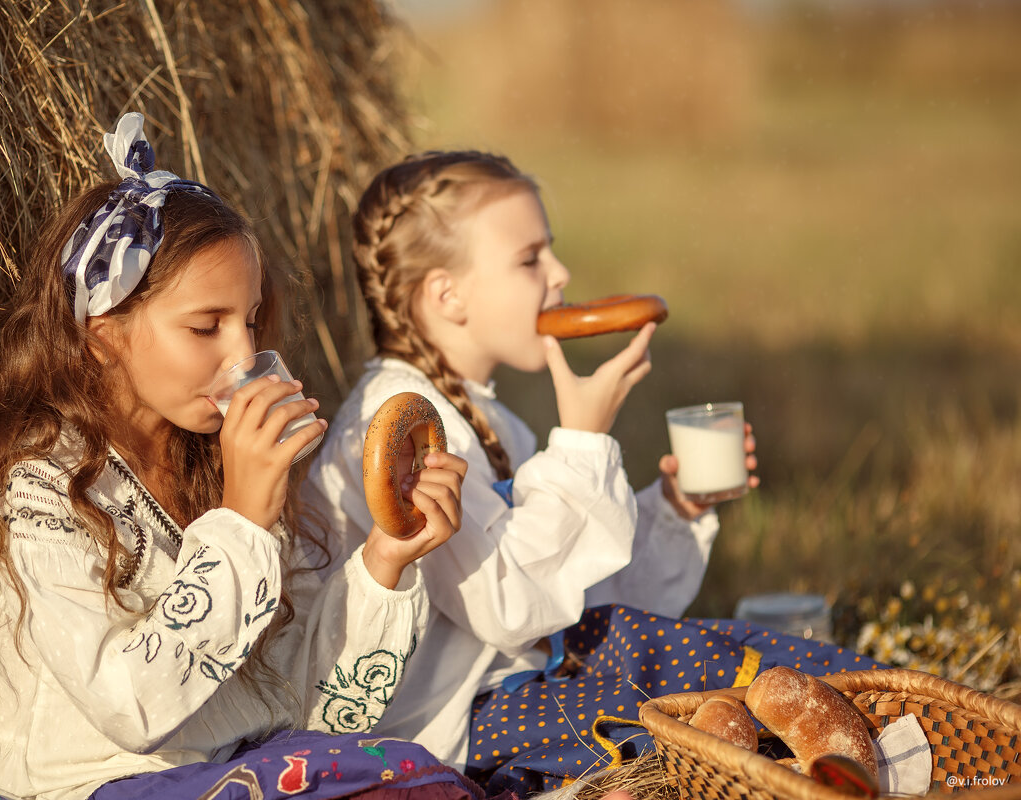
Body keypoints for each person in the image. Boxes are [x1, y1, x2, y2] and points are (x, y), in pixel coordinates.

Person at [0, 115, 478, 800]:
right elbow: (130, 707)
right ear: (101, 334)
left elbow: (312, 715)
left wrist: (386, 558)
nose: (243, 356)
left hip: (245, 772)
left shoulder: (215, 466)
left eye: (252, 321)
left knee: (413, 778)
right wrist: (241, 520)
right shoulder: (35, 488)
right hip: (94, 786)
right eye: (206, 326)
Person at [303, 151, 876, 795]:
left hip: (536, 676)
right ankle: (847, 759)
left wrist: (676, 507)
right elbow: (510, 607)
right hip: (458, 722)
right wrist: (581, 440)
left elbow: (582, 594)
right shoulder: (401, 428)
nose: (560, 273)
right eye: (530, 259)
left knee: (719, 654)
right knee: (671, 718)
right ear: (447, 294)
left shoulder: (489, 417)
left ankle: (885, 718)